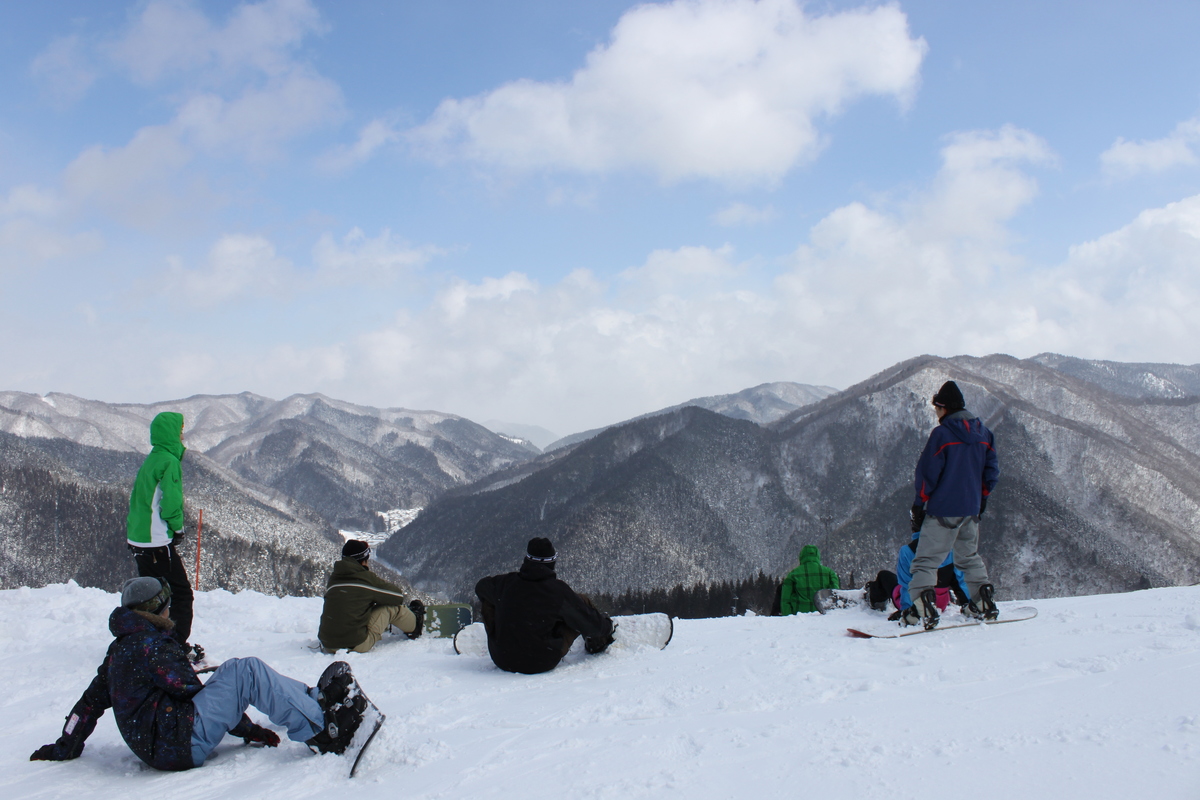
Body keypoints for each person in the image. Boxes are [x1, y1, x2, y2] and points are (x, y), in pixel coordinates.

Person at [30, 577, 370, 769]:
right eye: (166, 606)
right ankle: (323, 730)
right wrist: (249, 729)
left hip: (161, 744)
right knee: (245, 672)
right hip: (177, 744)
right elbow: (193, 691)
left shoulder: (121, 650)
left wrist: (65, 745)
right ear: (157, 609)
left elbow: (87, 705)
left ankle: (313, 701)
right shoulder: (152, 647)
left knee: (234, 672)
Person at [905, 380, 1000, 629]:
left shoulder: (942, 435)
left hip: (943, 510)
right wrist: (982, 499)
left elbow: (927, 473)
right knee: (968, 556)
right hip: (971, 509)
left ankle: (921, 607)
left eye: (937, 408)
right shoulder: (984, 434)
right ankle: (983, 600)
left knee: (926, 560)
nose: (936, 414)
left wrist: (919, 504)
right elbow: (991, 473)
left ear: (944, 407)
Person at [474, 538, 614, 674]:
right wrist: (606, 625)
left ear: (527, 560)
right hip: (541, 661)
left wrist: (505, 608)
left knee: (489, 601)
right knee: (577, 607)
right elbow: (593, 625)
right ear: (552, 562)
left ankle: (505, 638)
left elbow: (480, 587)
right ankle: (596, 644)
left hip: (502, 658)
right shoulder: (558, 592)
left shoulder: (504, 583)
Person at [126, 411, 199, 660]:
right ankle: (173, 646)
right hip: (155, 540)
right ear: (172, 434)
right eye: (180, 432)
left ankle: (144, 641)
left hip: (138, 537)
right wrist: (177, 528)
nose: (182, 436)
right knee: (180, 593)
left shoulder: (152, 459)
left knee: (151, 594)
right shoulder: (169, 461)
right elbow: (171, 502)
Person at [317, 539, 424, 653]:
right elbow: (397, 596)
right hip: (354, 644)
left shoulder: (334, 579)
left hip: (328, 644)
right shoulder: (365, 579)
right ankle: (415, 625)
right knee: (391, 608)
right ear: (363, 561)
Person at [885, 530, 970, 620]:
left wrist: (907, 610)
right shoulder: (949, 550)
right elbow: (960, 580)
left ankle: (876, 603)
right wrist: (969, 603)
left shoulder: (907, 550)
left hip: (918, 604)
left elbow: (907, 585)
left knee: (885, 576)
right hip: (940, 603)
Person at [779, 545, 841, 615]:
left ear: (801, 556)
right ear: (817, 556)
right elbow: (834, 596)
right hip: (822, 616)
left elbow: (785, 600)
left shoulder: (793, 574)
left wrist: (788, 617)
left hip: (800, 616)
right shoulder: (830, 573)